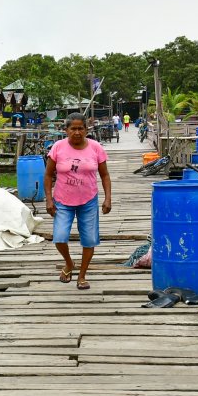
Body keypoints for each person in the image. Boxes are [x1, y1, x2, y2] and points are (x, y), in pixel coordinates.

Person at [45, 113, 112, 290]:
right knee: (59, 237)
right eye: (72, 128)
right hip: (62, 200)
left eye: (80, 128)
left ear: (86, 129)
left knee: (89, 239)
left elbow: (104, 175)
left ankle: (82, 275)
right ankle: (69, 263)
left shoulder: (96, 148)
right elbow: (48, 175)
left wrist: (108, 198)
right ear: (66, 130)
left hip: (88, 200)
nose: (76, 132)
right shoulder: (58, 147)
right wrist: (49, 200)